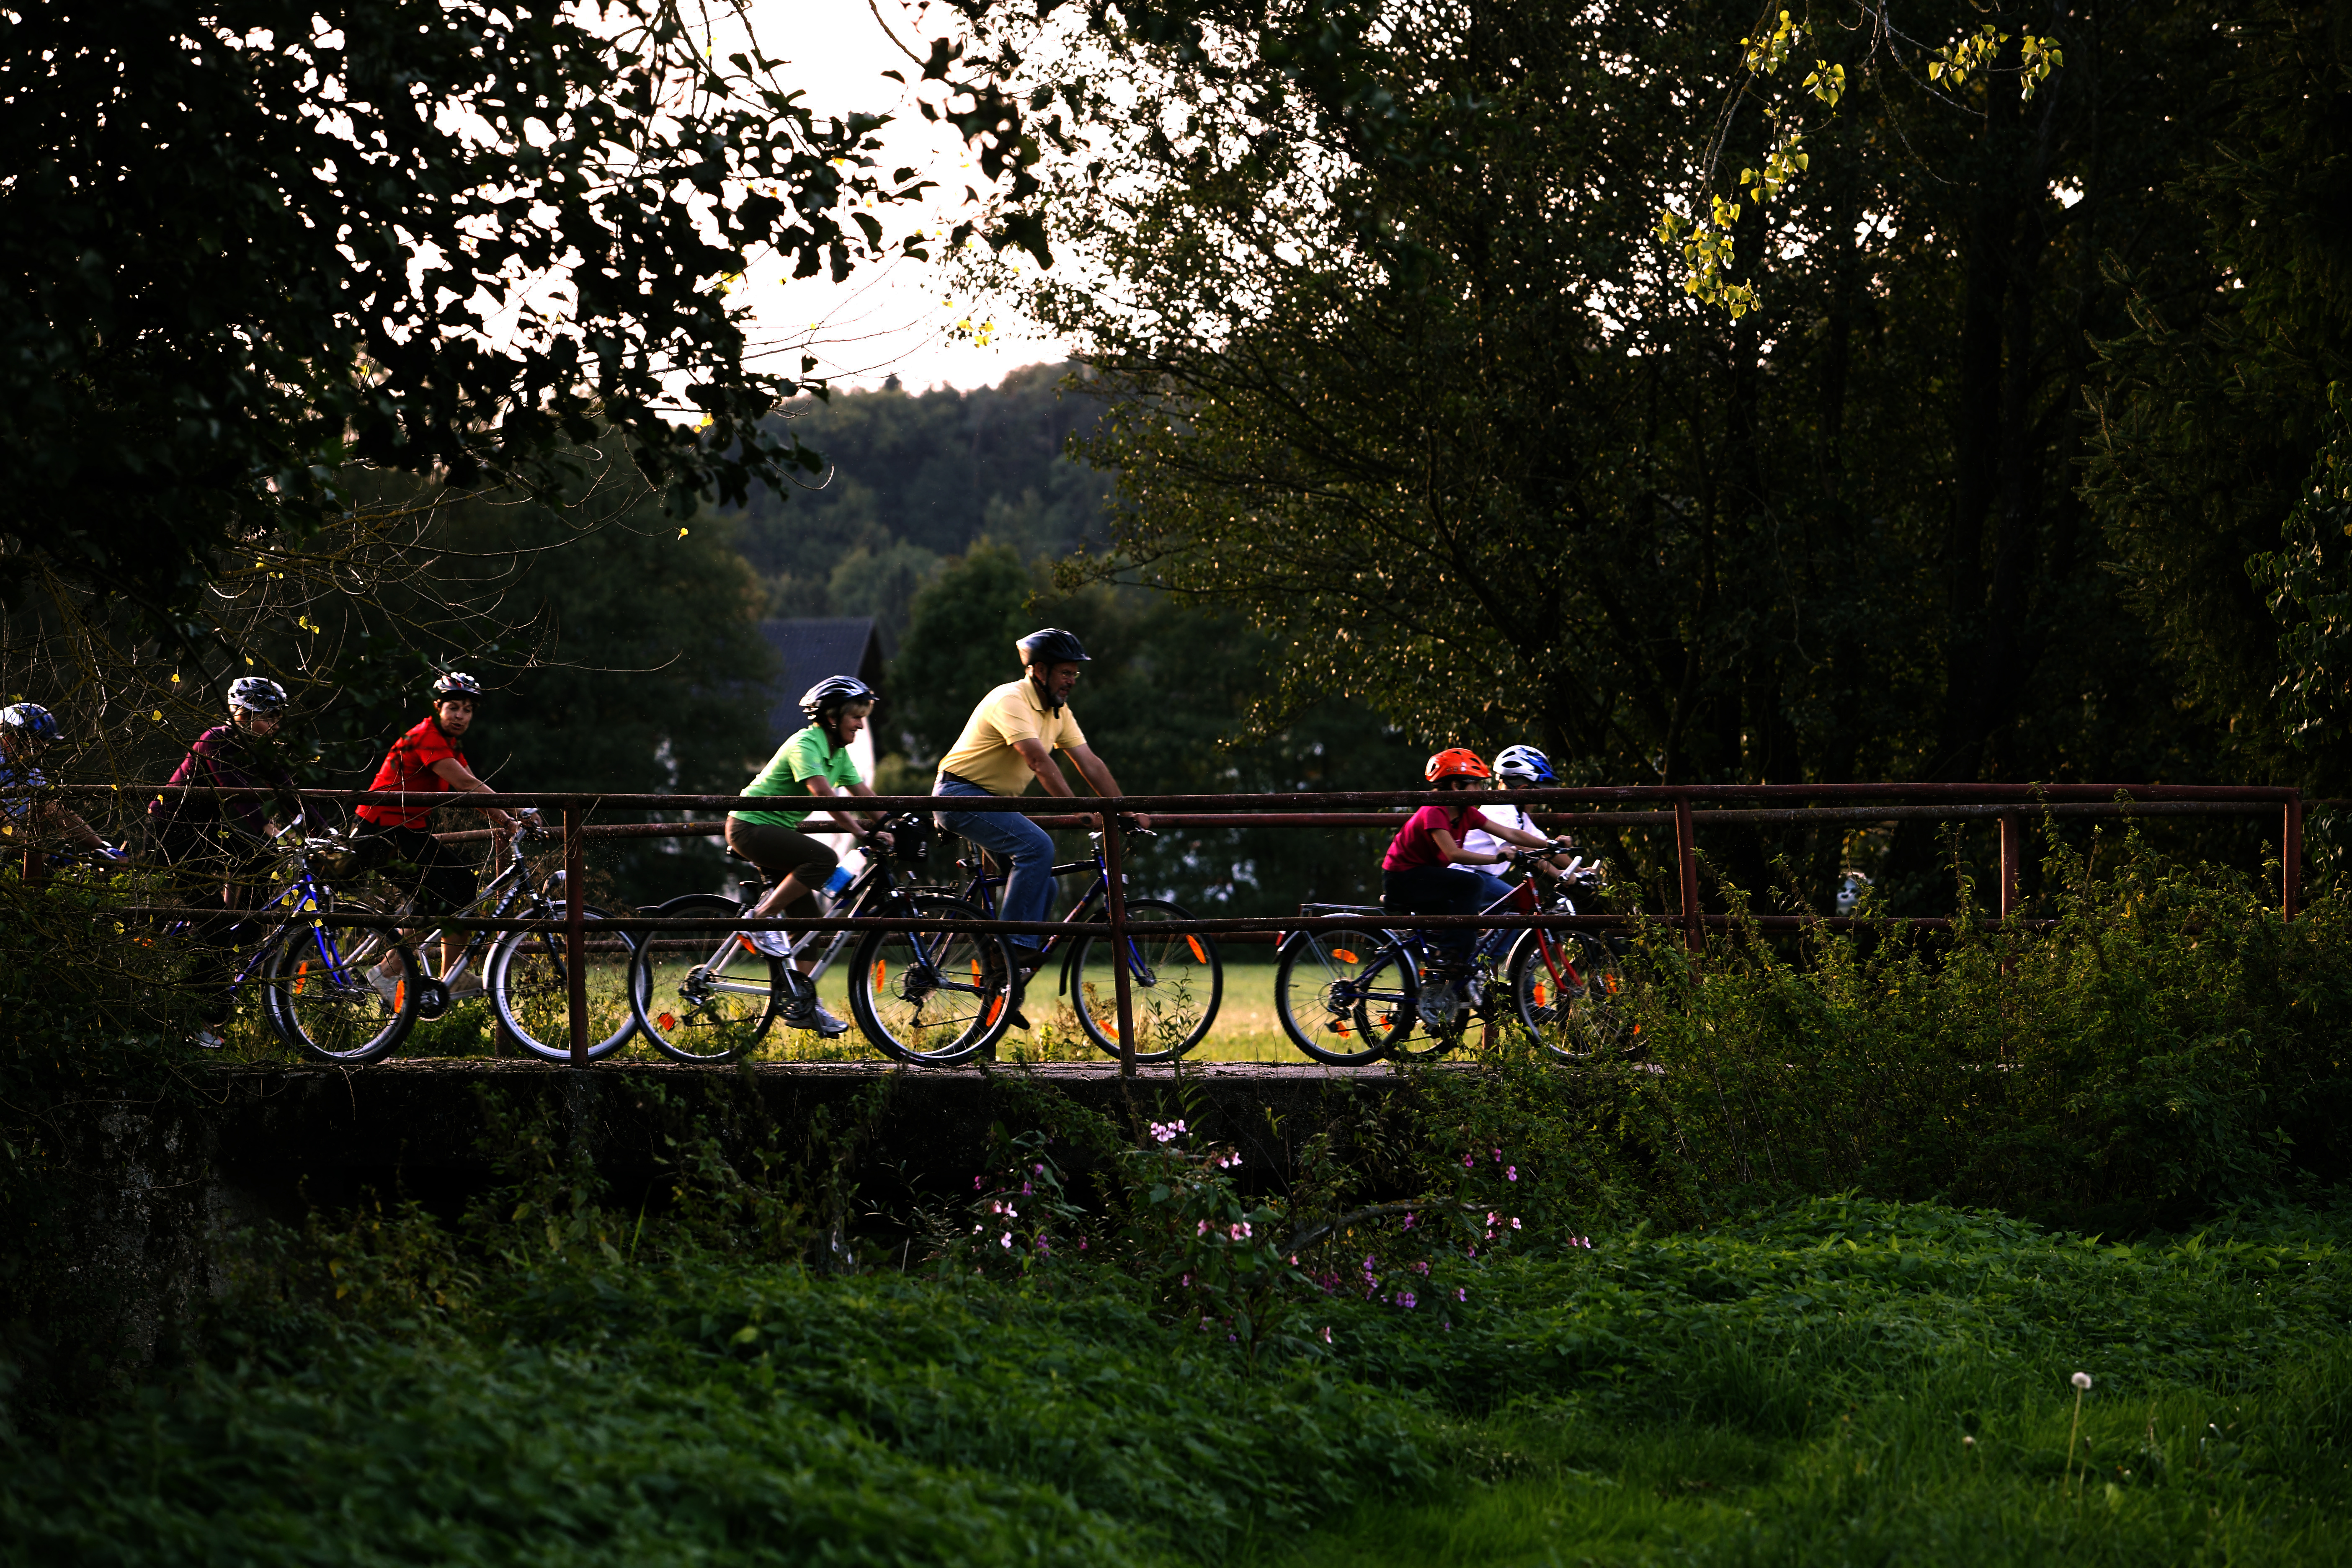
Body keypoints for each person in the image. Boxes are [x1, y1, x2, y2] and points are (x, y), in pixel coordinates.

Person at [933, 629, 1150, 993]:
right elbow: (1037, 760)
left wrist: (1124, 812)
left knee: (1044, 884)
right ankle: (1010, 950)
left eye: (1075, 674)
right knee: (1038, 848)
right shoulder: (1011, 699)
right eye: (1066, 673)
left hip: (992, 802)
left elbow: (1090, 764)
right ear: (1039, 671)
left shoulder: (1058, 712)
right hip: (959, 795)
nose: (1072, 681)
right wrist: (1076, 810)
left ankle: (1000, 978)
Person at [726, 676, 895, 1039]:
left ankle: (804, 1004)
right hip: (750, 827)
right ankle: (758, 919)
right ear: (833, 718)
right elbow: (822, 795)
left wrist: (899, 824)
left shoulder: (839, 755)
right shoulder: (806, 743)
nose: (862, 725)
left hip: (776, 834)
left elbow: (865, 796)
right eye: (856, 717)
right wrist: (863, 833)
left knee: (810, 926)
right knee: (822, 859)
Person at [353, 672, 532, 1001]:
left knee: (463, 888)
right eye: (454, 708)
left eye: (467, 709)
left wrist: (505, 819)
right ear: (438, 708)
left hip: (409, 832)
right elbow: (465, 786)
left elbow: (469, 784)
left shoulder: (449, 743)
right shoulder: (426, 736)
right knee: (439, 904)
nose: (461, 716)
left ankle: (451, 978)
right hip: (382, 833)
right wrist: (517, 813)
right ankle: (383, 973)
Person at [144, 678, 302, 1045]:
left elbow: (292, 793)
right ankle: (193, 1015)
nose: (276, 723)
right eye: (268, 716)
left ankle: (245, 928)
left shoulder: (264, 750)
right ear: (243, 715)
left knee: (262, 860)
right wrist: (277, 831)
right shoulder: (214, 740)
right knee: (215, 925)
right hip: (173, 834)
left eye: (278, 716)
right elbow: (240, 800)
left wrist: (325, 833)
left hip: (208, 833)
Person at [1380, 748, 1569, 1024]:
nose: (1482, 790)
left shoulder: (1467, 813)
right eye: (1477, 784)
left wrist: (1549, 845)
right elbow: (1453, 855)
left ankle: (1444, 975)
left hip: (1427, 877)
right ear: (1457, 786)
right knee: (1471, 883)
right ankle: (1450, 959)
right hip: (1404, 877)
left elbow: (1511, 834)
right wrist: (1496, 857)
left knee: (1463, 909)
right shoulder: (1435, 810)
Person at [0, 702, 120, 861]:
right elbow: (2, 826)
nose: (39, 756)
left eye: (43, 749)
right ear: (9, 741)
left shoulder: (24, 767)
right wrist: (49, 859)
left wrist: (102, 848)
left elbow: (56, 809)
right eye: (35, 749)